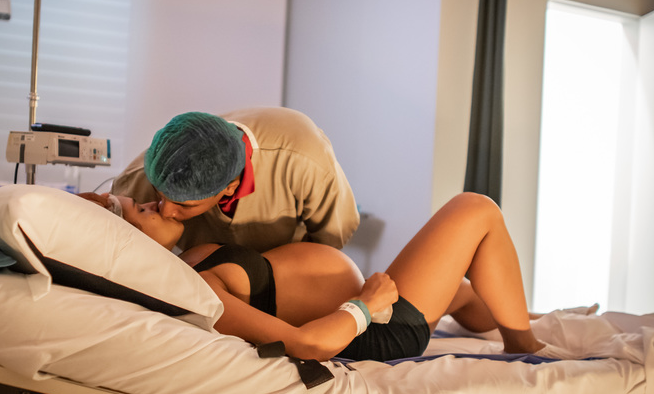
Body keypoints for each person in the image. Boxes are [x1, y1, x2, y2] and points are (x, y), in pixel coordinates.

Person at [85, 190, 544, 363]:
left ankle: (530, 319)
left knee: (462, 293)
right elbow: (306, 345)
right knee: (475, 209)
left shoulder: (189, 258)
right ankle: (524, 347)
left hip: (375, 308)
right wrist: (365, 305)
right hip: (376, 332)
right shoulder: (195, 291)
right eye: (139, 211)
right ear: (129, 243)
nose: (152, 201)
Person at [111, 108, 360, 253]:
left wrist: (283, 277)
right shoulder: (139, 181)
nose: (164, 210)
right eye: (159, 195)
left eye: (184, 204)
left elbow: (331, 239)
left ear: (230, 187)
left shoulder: (303, 158)